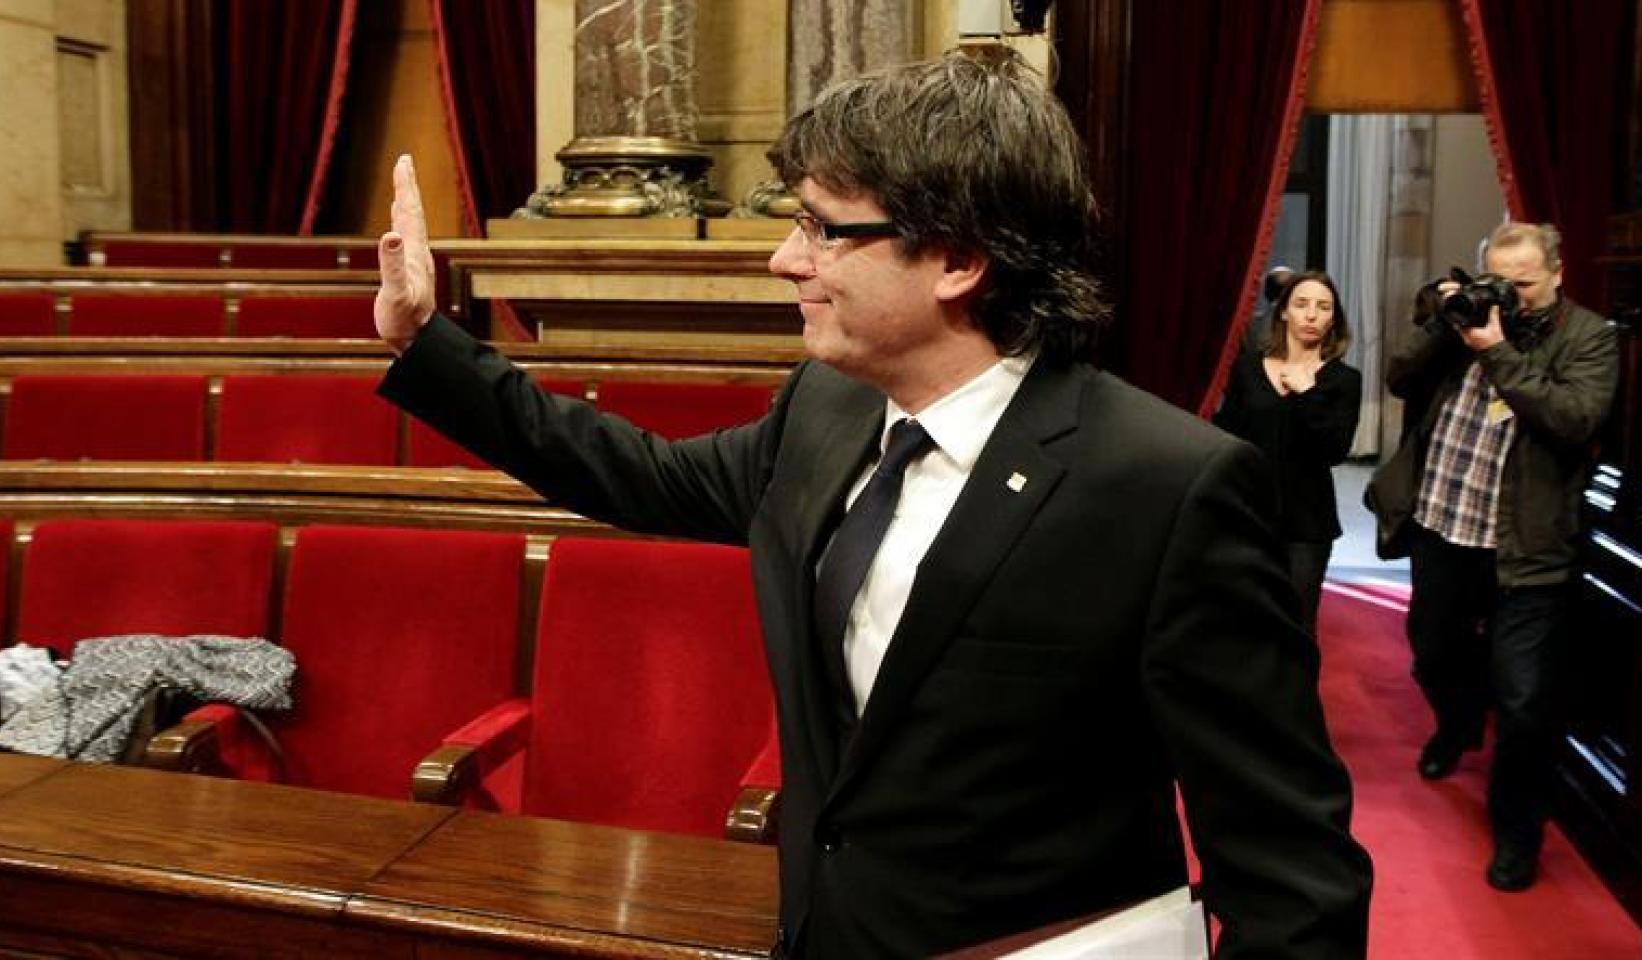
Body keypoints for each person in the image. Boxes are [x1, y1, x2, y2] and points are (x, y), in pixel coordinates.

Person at [375, 50, 1371, 958]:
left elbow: (1290, 873)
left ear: (955, 260)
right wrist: (430, 346)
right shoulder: (827, 408)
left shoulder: (1165, 487)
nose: (784, 259)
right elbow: (638, 474)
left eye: (821, 228)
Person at [1367, 221, 1618, 892]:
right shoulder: (1469, 320)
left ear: (1558, 274)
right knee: (1431, 653)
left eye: (1523, 283)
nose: (1508, 294)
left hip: (1526, 547)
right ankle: (1455, 724)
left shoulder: (1589, 336)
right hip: (1444, 527)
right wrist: (1447, 318)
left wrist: (1499, 350)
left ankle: (1516, 832)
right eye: (1498, 279)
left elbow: (1574, 418)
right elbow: (1397, 377)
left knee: (1526, 702)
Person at [1214, 270, 1362, 632]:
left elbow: (1334, 450)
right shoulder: (1248, 369)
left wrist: (1307, 394)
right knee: (1242, 619)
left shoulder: (1344, 380)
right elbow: (1227, 435)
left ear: (1333, 319)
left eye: (1323, 307)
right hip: (1248, 514)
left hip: (1307, 523)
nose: (1311, 315)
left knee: (1295, 625)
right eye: (1302, 304)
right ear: (1283, 312)